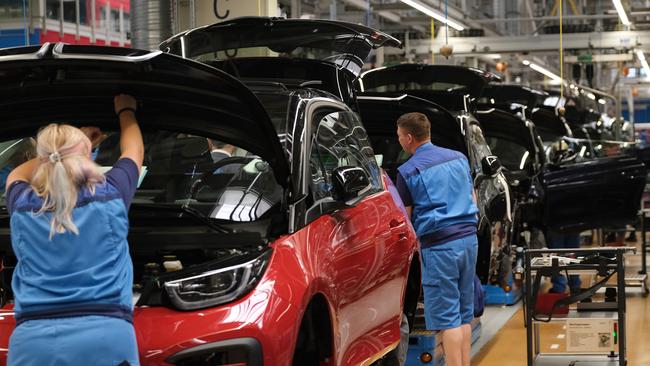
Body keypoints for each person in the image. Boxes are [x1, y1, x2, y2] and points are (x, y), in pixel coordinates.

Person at [5, 94, 144, 366]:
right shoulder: (111, 194)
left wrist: (65, 150)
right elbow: (134, 151)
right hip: (106, 335)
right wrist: (126, 110)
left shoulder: (22, 205)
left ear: (43, 159)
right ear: (85, 155)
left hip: (33, 342)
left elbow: (16, 175)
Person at [395, 112, 478, 366]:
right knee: (464, 315)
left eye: (399, 136)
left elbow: (405, 220)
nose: (398, 140)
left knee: (448, 319)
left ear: (409, 138)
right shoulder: (459, 158)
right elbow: (473, 198)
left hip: (441, 247)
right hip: (469, 241)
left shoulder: (407, 171)